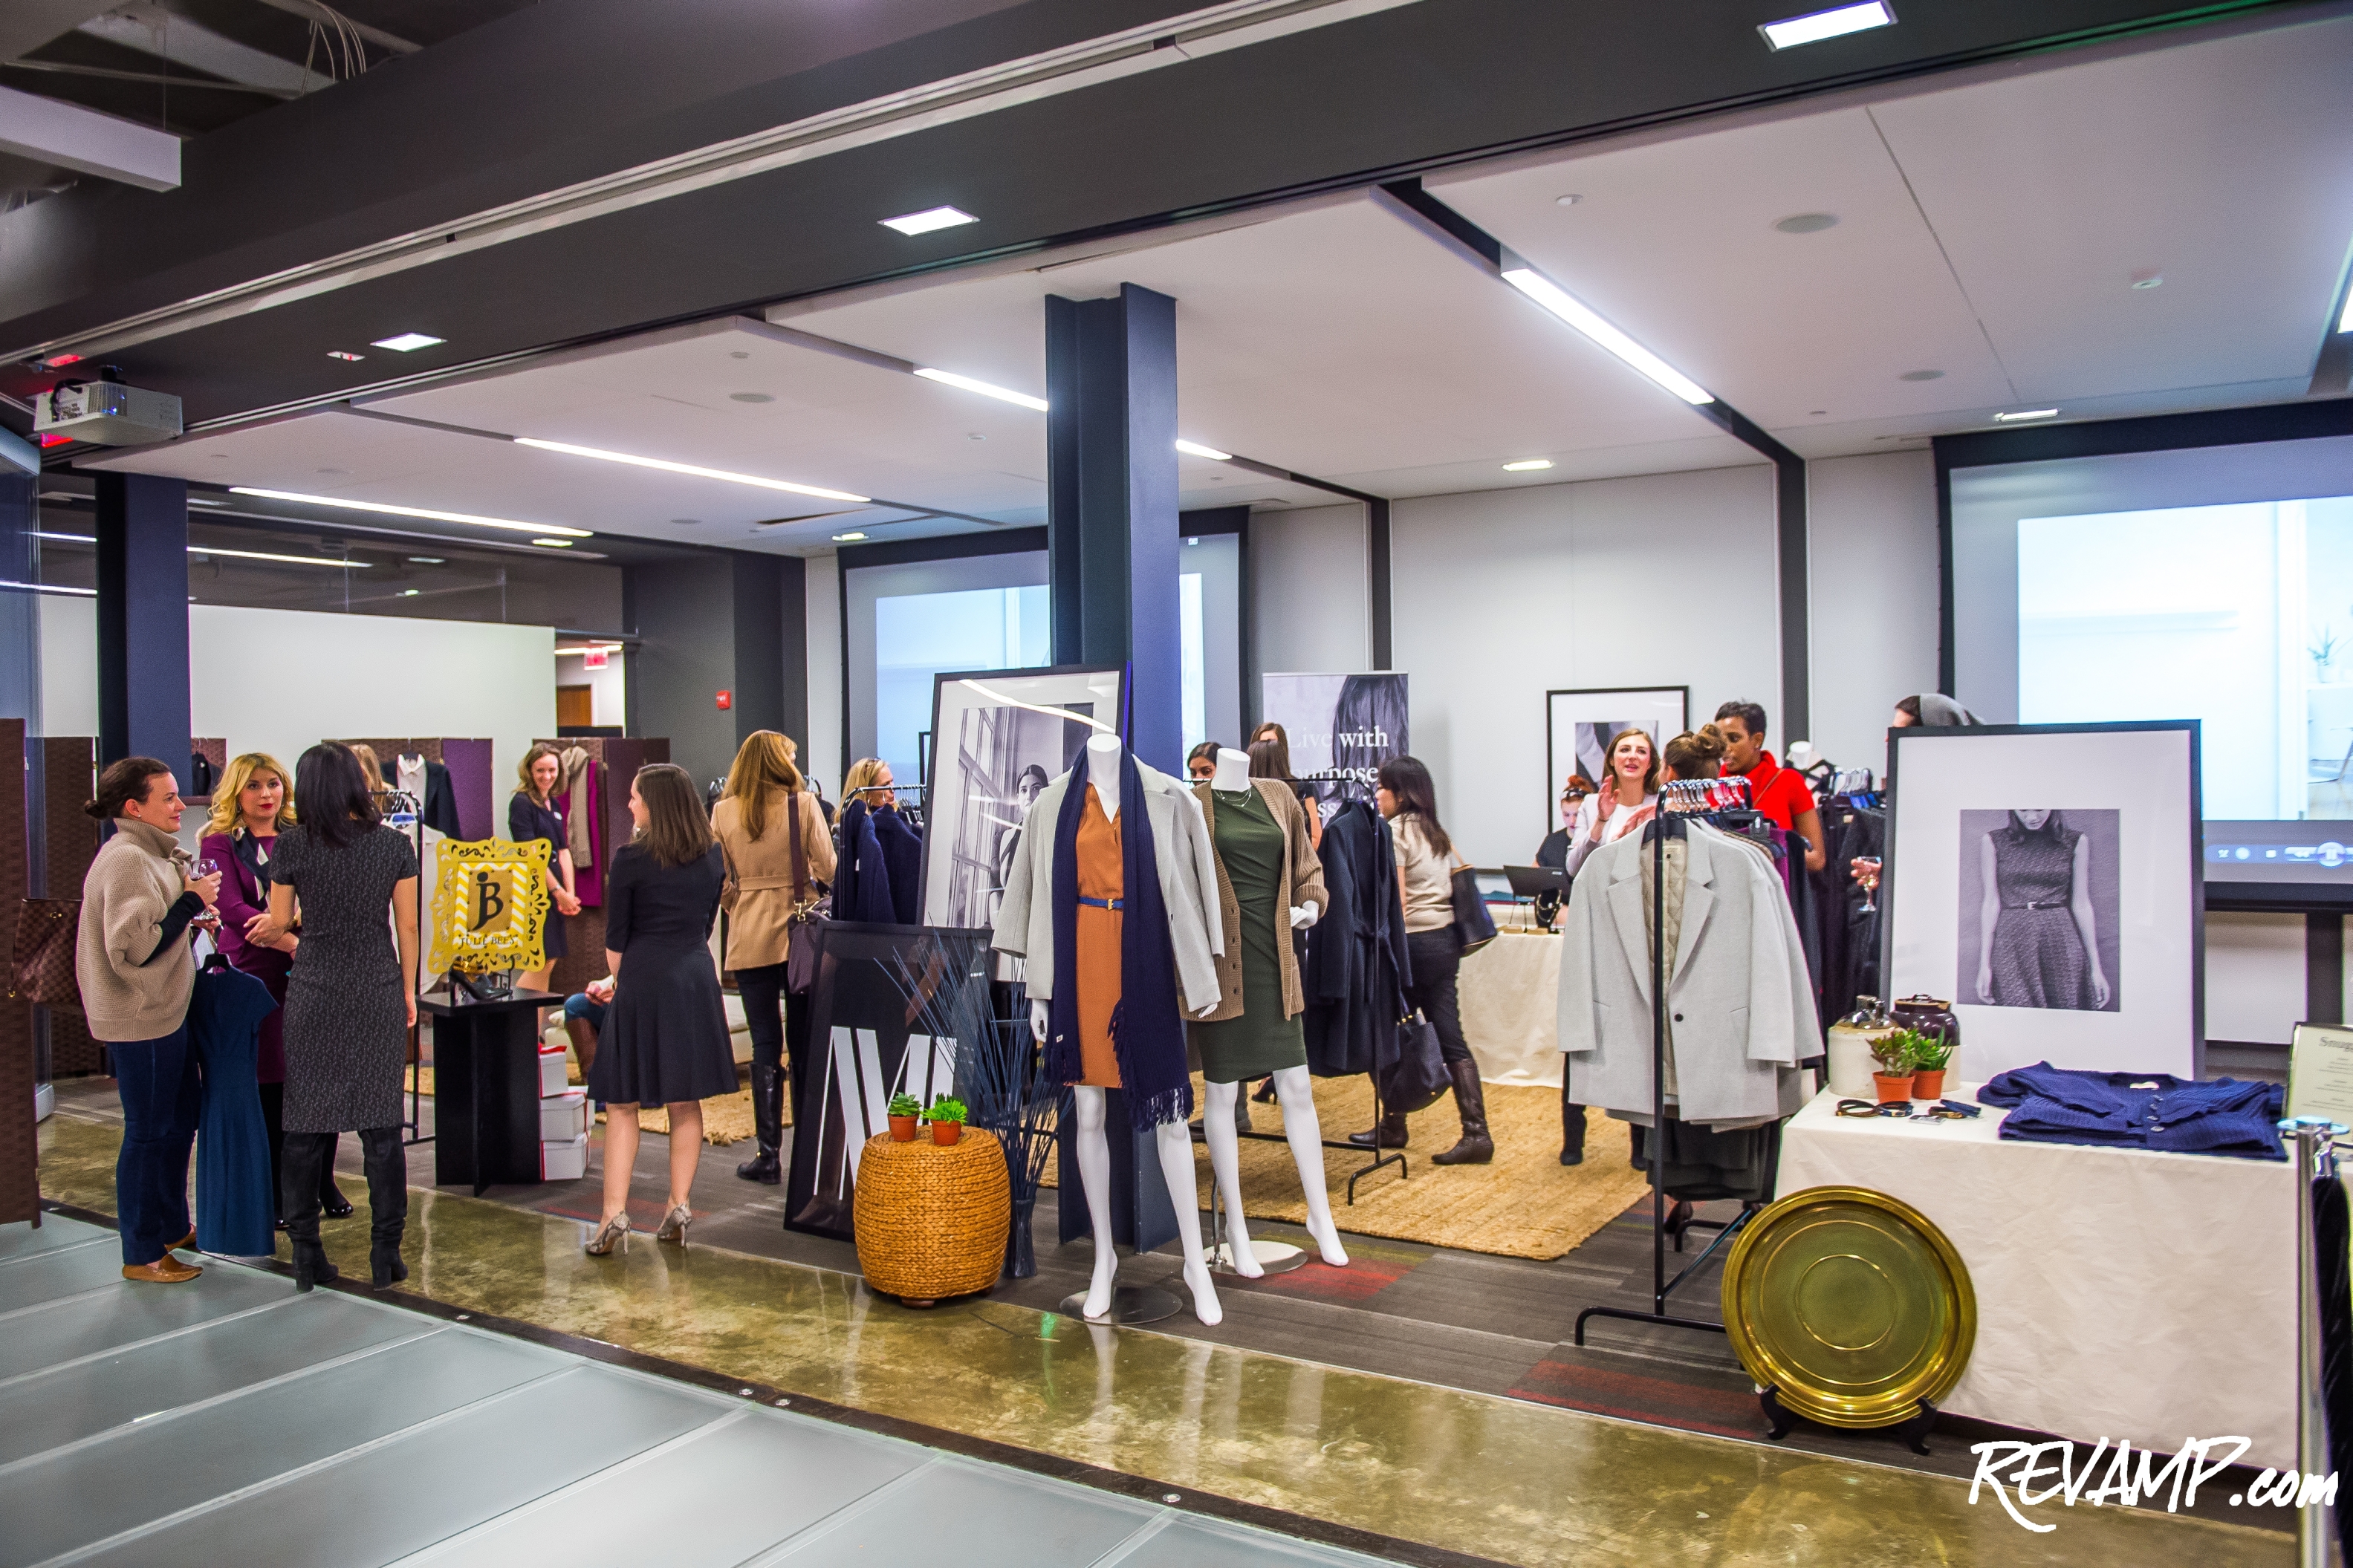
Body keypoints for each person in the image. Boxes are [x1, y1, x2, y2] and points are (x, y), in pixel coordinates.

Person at [249, 744, 419, 1291]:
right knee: (382, 1127)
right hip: (376, 988)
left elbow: (278, 923)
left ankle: (306, 1255)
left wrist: (295, 913)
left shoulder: (291, 845)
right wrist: (409, 991)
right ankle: (386, 1254)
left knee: (304, 1124)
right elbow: (407, 927)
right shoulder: (393, 845)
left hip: (314, 992)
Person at [583, 764, 737, 1255]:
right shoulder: (712, 855)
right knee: (684, 1099)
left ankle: (613, 1213)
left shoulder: (630, 859)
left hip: (643, 979)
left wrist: (616, 980)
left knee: (622, 1102)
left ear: (654, 803)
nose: (629, 804)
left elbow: (617, 941)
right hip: (694, 977)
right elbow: (705, 924)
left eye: (634, 797)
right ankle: (678, 1204)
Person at [78, 758, 220, 1284]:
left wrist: (191, 913)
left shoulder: (153, 856)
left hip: (165, 1013)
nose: (181, 805)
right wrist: (191, 901)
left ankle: (170, 1226)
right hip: (142, 1019)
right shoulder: (127, 859)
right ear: (134, 808)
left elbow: (158, 927)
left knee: (179, 1120)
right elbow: (138, 947)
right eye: (169, 797)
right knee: (148, 1132)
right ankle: (141, 1252)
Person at [201, 751, 351, 1226]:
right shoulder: (218, 842)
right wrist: (287, 939)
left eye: (273, 784)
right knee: (272, 1081)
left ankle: (323, 1180)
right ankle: (278, 1190)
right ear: (236, 792)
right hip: (255, 972)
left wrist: (298, 936)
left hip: (312, 968)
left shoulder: (304, 835)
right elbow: (229, 906)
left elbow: (328, 893)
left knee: (320, 1079)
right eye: (254, 786)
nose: (266, 794)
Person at [710, 730, 834, 1185]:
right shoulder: (802, 804)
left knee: (765, 1041)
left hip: (748, 934)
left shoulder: (723, 812)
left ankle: (768, 1157)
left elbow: (719, 880)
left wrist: (741, 903)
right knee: (802, 1042)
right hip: (799, 933)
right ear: (781, 762)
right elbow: (829, 867)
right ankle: (807, 1150)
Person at [1355, 755, 1490, 1165]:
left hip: (1410, 946)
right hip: (1444, 944)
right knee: (1451, 1035)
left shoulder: (1393, 832)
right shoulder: (1436, 833)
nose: (1377, 794)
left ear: (1400, 794)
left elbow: (1396, 902)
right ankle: (1476, 1132)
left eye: (1382, 787)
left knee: (1384, 1032)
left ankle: (1394, 1123)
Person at [1976, 810, 2110, 1010]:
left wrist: (2096, 969)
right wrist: (1984, 965)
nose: (2032, 817)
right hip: (2013, 940)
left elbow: (2081, 904)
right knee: (2016, 1014)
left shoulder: (2075, 841)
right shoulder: (1993, 841)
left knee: (2064, 1015)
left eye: (2039, 809)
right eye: (2024, 810)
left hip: (2060, 938)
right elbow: (1991, 902)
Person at [1713, 701, 1825, 873]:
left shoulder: (1788, 781)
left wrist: (1764, 853)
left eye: (1734, 739)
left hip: (1776, 884)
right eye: (1720, 741)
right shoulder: (1710, 785)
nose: (1725, 749)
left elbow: (1816, 858)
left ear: (1757, 739)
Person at [509, 744, 583, 998]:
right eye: (540, 770)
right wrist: (558, 892)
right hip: (535, 893)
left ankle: (535, 1024)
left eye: (552, 770)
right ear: (529, 771)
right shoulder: (521, 803)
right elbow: (531, 856)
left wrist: (569, 893)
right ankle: (515, 1016)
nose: (547, 776)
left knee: (548, 962)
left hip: (555, 894)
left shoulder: (554, 804)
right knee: (540, 961)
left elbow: (563, 851)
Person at [1562, 729, 1658, 876]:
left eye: (1641, 751)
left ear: (1650, 763)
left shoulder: (1660, 806)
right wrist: (1601, 820)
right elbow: (1573, 869)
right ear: (1611, 760)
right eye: (1625, 750)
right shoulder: (1591, 804)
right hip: (1601, 890)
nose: (1632, 756)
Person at [1247, 726, 1322, 851]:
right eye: (1262, 743)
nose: (1267, 748)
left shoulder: (1301, 787)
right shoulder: (1243, 789)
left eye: (1272, 743)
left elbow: (1315, 837)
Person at [1536, 774, 1597, 874]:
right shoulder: (1552, 841)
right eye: (1566, 815)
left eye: (1577, 815)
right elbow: (1533, 875)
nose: (1572, 821)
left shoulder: (1598, 841)